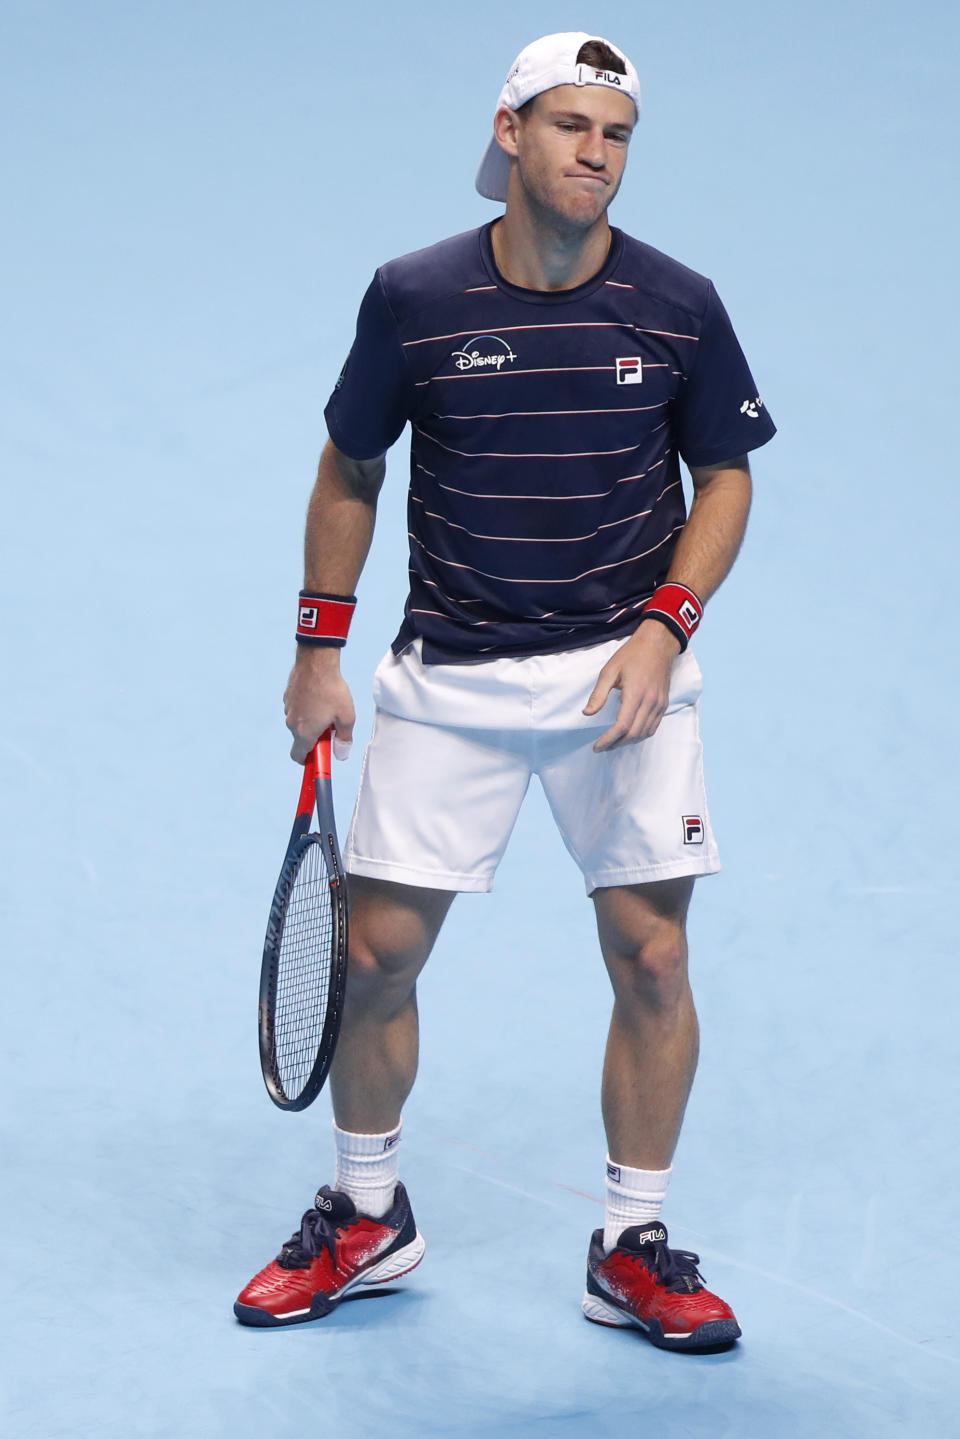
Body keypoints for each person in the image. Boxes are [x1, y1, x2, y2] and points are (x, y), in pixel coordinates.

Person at [235, 31, 775, 1350]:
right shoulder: (415, 299)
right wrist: (318, 650)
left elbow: (728, 479)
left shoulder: (679, 305)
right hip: (450, 675)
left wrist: (666, 625)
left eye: (618, 134)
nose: (598, 154)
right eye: (573, 126)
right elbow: (350, 466)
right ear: (512, 132)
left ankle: (631, 1246)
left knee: (653, 957)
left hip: (620, 681)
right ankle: (370, 1217)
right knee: (374, 958)